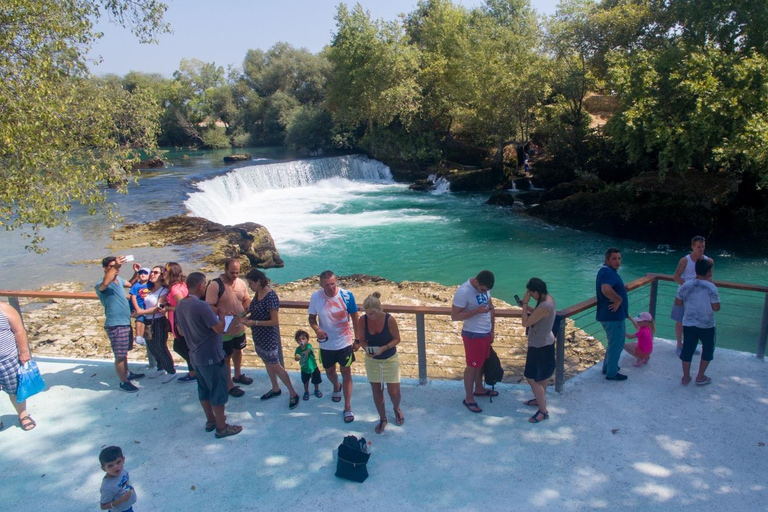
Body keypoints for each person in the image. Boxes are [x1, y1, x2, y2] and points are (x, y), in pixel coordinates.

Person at [175, 272, 242, 438]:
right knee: (218, 392)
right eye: (204, 284)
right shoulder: (201, 306)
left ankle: (210, 420)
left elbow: (181, 332)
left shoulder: (181, 304)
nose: (205, 287)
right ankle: (221, 427)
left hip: (195, 355)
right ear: (200, 286)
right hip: (211, 355)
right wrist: (220, 314)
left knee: (203, 390)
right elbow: (219, 328)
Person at [241, 269, 299, 409]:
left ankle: (293, 393)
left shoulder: (271, 296)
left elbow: (274, 321)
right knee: (267, 363)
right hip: (259, 337)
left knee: (276, 366)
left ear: (259, 282)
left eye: (251, 283)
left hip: (269, 339)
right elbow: (256, 312)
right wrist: (246, 317)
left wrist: (253, 323)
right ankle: (275, 388)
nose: (250, 286)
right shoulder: (258, 293)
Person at [307, 270, 360, 423]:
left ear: (336, 281)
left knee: (347, 373)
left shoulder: (347, 295)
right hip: (326, 345)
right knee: (329, 372)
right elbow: (311, 318)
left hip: (344, 343)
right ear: (321, 285)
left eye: (333, 284)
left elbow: (355, 318)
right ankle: (336, 386)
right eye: (327, 285)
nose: (331, 288)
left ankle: (348, 407)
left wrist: (358, 340)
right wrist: (317, 330)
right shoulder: (316, 297)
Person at [96, 256, 145, 392]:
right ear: (105, 268)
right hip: (115, 324)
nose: (116, 269)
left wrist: (137, 272)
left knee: (124, 352)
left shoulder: (118, 281)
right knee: (120, 355)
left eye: (116, 266)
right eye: (111, 267)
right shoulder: (101, 283)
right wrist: (116, 266)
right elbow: (105, 284)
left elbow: (131, 284)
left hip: (125, 322)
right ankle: (123, 382)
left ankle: (127, 373)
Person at [451, 270, 497, 414]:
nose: (485, 292)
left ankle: (479, 388)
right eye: (483, 290)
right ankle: (469, 398)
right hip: (473, 335)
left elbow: (491, 307)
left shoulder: (485, 289)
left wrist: (492, 330)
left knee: (481, 363)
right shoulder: (464, 291)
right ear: (476, 282)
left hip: (485, 333)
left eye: (487, 290)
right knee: (472, 366)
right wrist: (476, 312)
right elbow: (454, 316)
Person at [205, 258, 252, 398]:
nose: (235, 275)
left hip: (239, 327)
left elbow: (246, 299)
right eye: (232, 273)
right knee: (226, 357)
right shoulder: (215, 285)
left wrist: (245, 308)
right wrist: (222, 312)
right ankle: (229, 384)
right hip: (224, 329)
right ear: (225, 270)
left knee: (238, 351)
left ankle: (237, 375)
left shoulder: (241, 283)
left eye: (237, 272)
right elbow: (209, 306)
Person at [358, 291, 404, 434]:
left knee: (394, 392)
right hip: (373, 361)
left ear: (379, 310)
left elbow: (397, 339)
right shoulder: (363, 320)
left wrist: (384, 348)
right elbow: (362, 341)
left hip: (390, 358)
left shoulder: (389, 320)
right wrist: (367, 349)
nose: (369, 316)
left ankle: (396, 408)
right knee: (377, 391)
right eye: (367, 313)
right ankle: (383, 418)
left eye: (371, 313)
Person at [676, 258, 720, 386]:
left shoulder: (686, 285)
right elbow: (716, 308)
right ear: (708, 272)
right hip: (707, 325)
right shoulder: (711, 287)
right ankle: (700, 376)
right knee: (708, 349)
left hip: (689, 323)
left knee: (687, 349)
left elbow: (678, 303)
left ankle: (685, 377)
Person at [520, 278, 556, 424]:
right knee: (542, 378)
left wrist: (524, 304)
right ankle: (540, 400)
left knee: (531, 378)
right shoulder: (548, 299)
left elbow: (525, 323)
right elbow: (539, 315)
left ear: (536, 291)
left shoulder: (545, 305)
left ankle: (543, 411)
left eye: (530, 292)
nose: (529, 294)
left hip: (539, 346)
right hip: (546, 342)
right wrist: (529, 308)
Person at [671, 236, 713, 356]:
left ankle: (690, 345)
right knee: (680, 320)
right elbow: (676, 277)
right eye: (698, 247)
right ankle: (679, 345)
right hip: (683, 294)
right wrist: (690, 286)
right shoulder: (685, 260)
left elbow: (710, 278)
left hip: (699, 297)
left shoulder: (708, 261)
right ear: (692, 247)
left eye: (703, 247)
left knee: (694, 322)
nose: (701, 249)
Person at [136, 266, 176, 383]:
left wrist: (141, 312)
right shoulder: (147, 289)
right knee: (152, 346)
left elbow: (159, 307)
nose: (152, 274)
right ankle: (160, 367)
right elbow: (134, 288)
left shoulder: (164, 291)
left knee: (160, 346)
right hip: (146, 321)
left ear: (162, 275)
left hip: (158, 321)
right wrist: (136, 273)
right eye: (152, 272)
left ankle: (171, 370)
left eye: (156, 272)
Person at [0, 301, 36, 431]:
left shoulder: (4, 308)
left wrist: (24, 352)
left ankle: (23, 415)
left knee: (15, 390)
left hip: (8, 359)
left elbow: (19, 330)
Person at [596, 248, 629, 381]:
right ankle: (612, 373)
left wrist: (621, 289)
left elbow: (610, 286)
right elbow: (605, 288)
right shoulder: (608, 273)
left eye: (619, 258)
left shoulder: (606, 271)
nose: (617, 261)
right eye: (614, 259)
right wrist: (619, 299)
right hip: (613, 317)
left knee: (612, 343)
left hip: (608, 316)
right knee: (617, 345)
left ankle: (608, 367)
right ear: (607, 260)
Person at [164, 262, 196, 382]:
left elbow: (183, 305)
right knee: (184, 346)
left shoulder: (174, 289)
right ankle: (194, 369)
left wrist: (168, 308)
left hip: (179, 319)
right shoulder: (183, 284)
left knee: (180, 347)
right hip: (183, 319)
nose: (163, 273)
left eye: (165, 271)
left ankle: (193, 372)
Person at [99, 446, 137, 512]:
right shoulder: (107, 487)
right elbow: (103, 506)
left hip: (127, 507)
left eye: (118, 462)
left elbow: (124, 483)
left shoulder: (121, 471)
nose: (116, 467)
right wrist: (121, 500)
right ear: (104, 468)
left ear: (123, 460)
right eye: (110, 465)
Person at [293, 330, 323, 400]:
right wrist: (297, 358)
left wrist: (306, 352)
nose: (301, 341)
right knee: (305, 381)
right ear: (297, 341)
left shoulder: (309, 346)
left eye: (303, 339)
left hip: (313, 367)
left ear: (307, 339)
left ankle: (316, 390)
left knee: (316, 380)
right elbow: (296, 358)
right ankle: (306, 392)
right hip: (304, 368)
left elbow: (309, 349)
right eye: (299, 339)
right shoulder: (298, 349)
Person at [128, 267, 150, 347]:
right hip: (138, 305)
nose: (143, 275)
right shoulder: (136, 285)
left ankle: (141, 336)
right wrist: (136, 308)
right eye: (141, 273)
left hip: (146, 306)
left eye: (145, 273)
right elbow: (133, 297)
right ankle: (138, 336)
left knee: (143, 320)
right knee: (139, 320)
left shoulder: (150, 284)